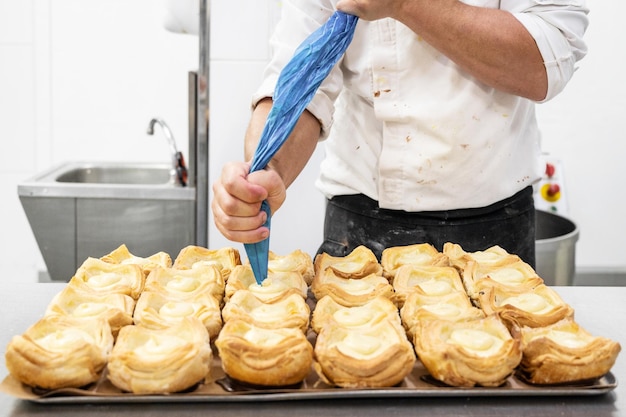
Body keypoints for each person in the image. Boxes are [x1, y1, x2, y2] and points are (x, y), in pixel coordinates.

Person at [211, 0, 589, 267]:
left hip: (493, 230)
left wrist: (408, 4)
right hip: (357, 225)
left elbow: (546, 61)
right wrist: (266, 171)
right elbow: (299, 77)